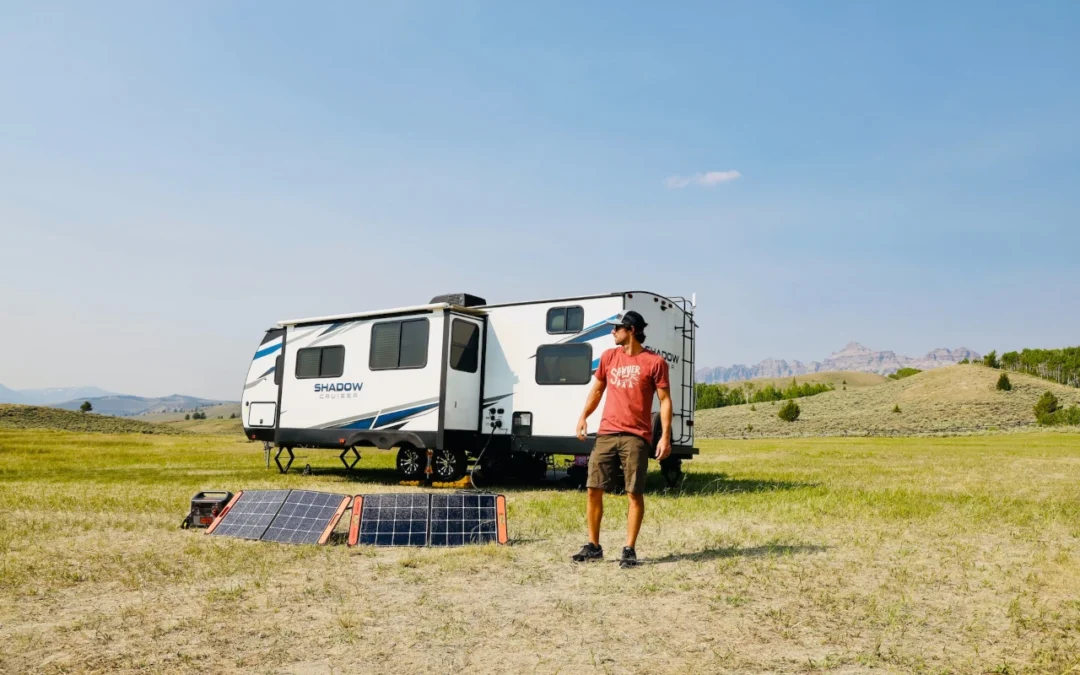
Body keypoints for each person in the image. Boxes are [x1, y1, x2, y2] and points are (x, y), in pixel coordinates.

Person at [572, 310, 671, 568]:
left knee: (633, 493)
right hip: (606, 433)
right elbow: (597, 390)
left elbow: (665, 400)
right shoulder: (608, 357)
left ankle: (629, 549)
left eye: (617, 328)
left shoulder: (655, 362)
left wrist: (665, 437)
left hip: (636, 437)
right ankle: (594, 546)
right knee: (594, 488)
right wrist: (583, 416)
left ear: (632, 330)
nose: (612, 332)